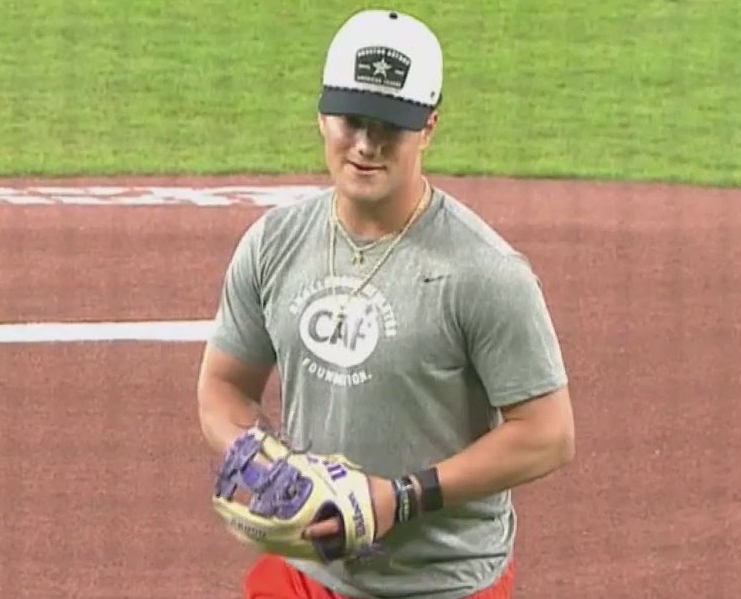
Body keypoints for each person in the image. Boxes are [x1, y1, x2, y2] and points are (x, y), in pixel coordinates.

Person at [197, 8, 576, 599]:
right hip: (306, 575)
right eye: (352, 121)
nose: (366, 145)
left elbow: (548, 435)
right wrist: (270, 469)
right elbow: (223, 386)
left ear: (428, 128)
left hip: (440, 584)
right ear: (322, 115)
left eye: (390, 127)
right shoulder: (274, 243)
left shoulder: (484, 272)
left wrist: (399, 497)